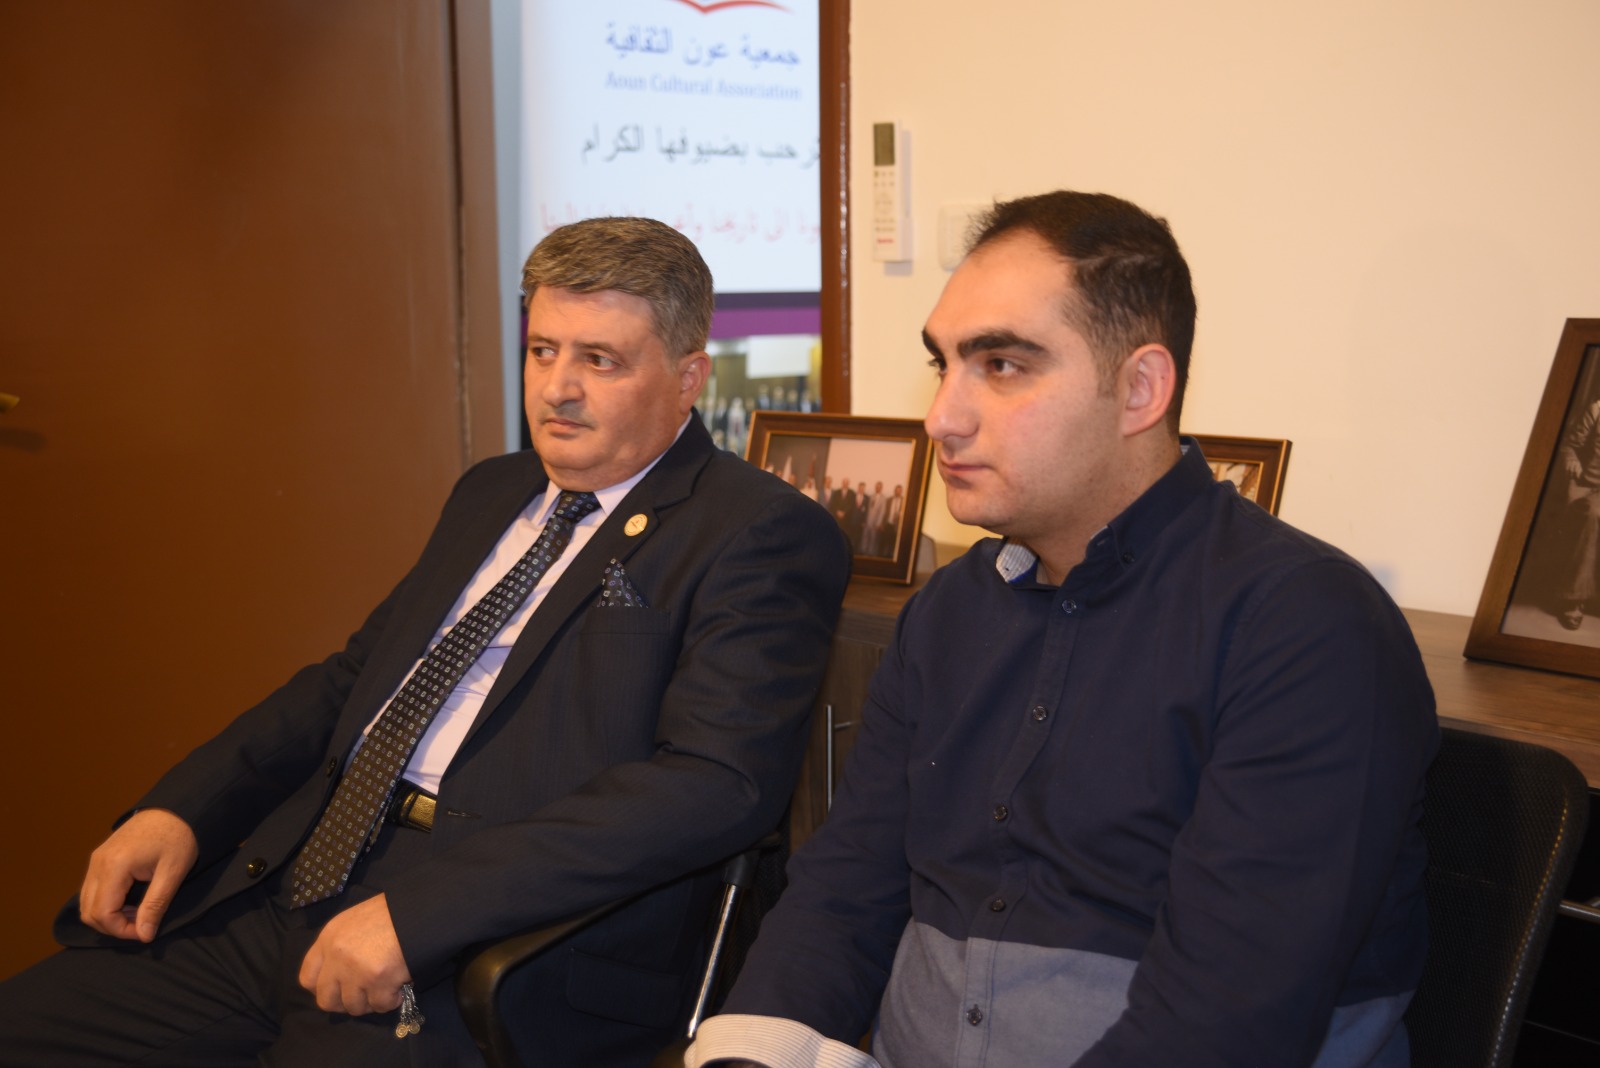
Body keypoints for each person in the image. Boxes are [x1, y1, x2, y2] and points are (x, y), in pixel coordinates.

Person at [0, 217, 851, 1067]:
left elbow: (712, 783)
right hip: (298, 879)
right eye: (543, 351)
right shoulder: (493, 490)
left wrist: (422, 916)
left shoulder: (755, 530)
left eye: (600, 361)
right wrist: (184, 807)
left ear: (689, 378)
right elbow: (353, 680)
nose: (557, 389)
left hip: (491, 944)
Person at [684, 191, 1437, 1068]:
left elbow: (1230, 1015)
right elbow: (847, 884)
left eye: (1002, 365)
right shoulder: (950, 610)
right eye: (943, 364)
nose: (942, 416)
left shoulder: (1305, 626)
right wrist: (748, 1054)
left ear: (1140, 389)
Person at [1553, 397, 1600, 629]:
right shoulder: (1597, 409)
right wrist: (1571, 460)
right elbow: (1570, 445)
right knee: (1593, 513)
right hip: (1588, 487)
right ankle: (1575, 598)